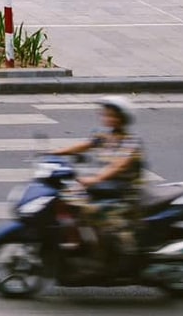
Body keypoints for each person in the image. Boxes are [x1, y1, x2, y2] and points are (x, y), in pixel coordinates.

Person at [53, 96, 145, 269]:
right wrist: (55, 153)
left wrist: (94, 179)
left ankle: (108, 254)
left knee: (90, 211)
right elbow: (84, 146)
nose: (108, 119)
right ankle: (77, 243)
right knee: (66, 198)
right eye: (106, 115)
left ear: (123, 119)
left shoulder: (131, 142)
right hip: (107, 188)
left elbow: (118, 166)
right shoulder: (104, 135)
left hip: (124, 193)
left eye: (113, 116)